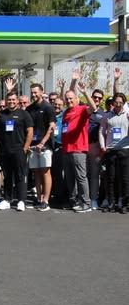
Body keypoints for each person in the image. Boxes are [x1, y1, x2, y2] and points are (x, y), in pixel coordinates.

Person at [0, 91, 33, 212]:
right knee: (7, 176)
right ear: (6, 100)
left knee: (20, 175)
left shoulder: (24, 114)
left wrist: (25, 148)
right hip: (4, 151)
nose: (11, 102)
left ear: (17, 101)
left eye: (13, 100)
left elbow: (30, 132)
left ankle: (21, 201)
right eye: (9, 100)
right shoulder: (1, 115)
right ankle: (7, 199)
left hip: (19, 150)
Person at [61, 83, 97, 212]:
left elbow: (93, 107)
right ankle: (73, 201)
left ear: (77, 99)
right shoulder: (66, 112)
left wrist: (85, 92)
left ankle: (86, 203)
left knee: (81, 177)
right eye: (67, 99)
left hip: (78, 150)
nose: (69, 100)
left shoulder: (82, 109)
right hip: (66, 150)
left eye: (71, 98)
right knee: (69, 178)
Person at [26, 84, 56, 212]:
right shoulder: (29, 109)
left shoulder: (48, 107)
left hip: (45, 146)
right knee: (36, 172)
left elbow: (52, 127)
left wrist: (42, 143)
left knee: (45, 172)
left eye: (36, 92)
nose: (34, 95)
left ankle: (46, 201)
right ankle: (39, 199)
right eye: (32, 93)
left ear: (42, 92)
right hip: (33, 146)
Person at [99, 93, 129, 213]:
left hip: (125, 149)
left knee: (125, 178)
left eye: (120, 102)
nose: (118, 104)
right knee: (110, 177)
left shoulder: (127, 115)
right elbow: (101, 131)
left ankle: (125, 204)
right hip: (111, 150)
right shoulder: (107, 116)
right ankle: (111, 202)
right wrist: (102, 146)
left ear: (123, 103)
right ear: (113, 103)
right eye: (116, 102)